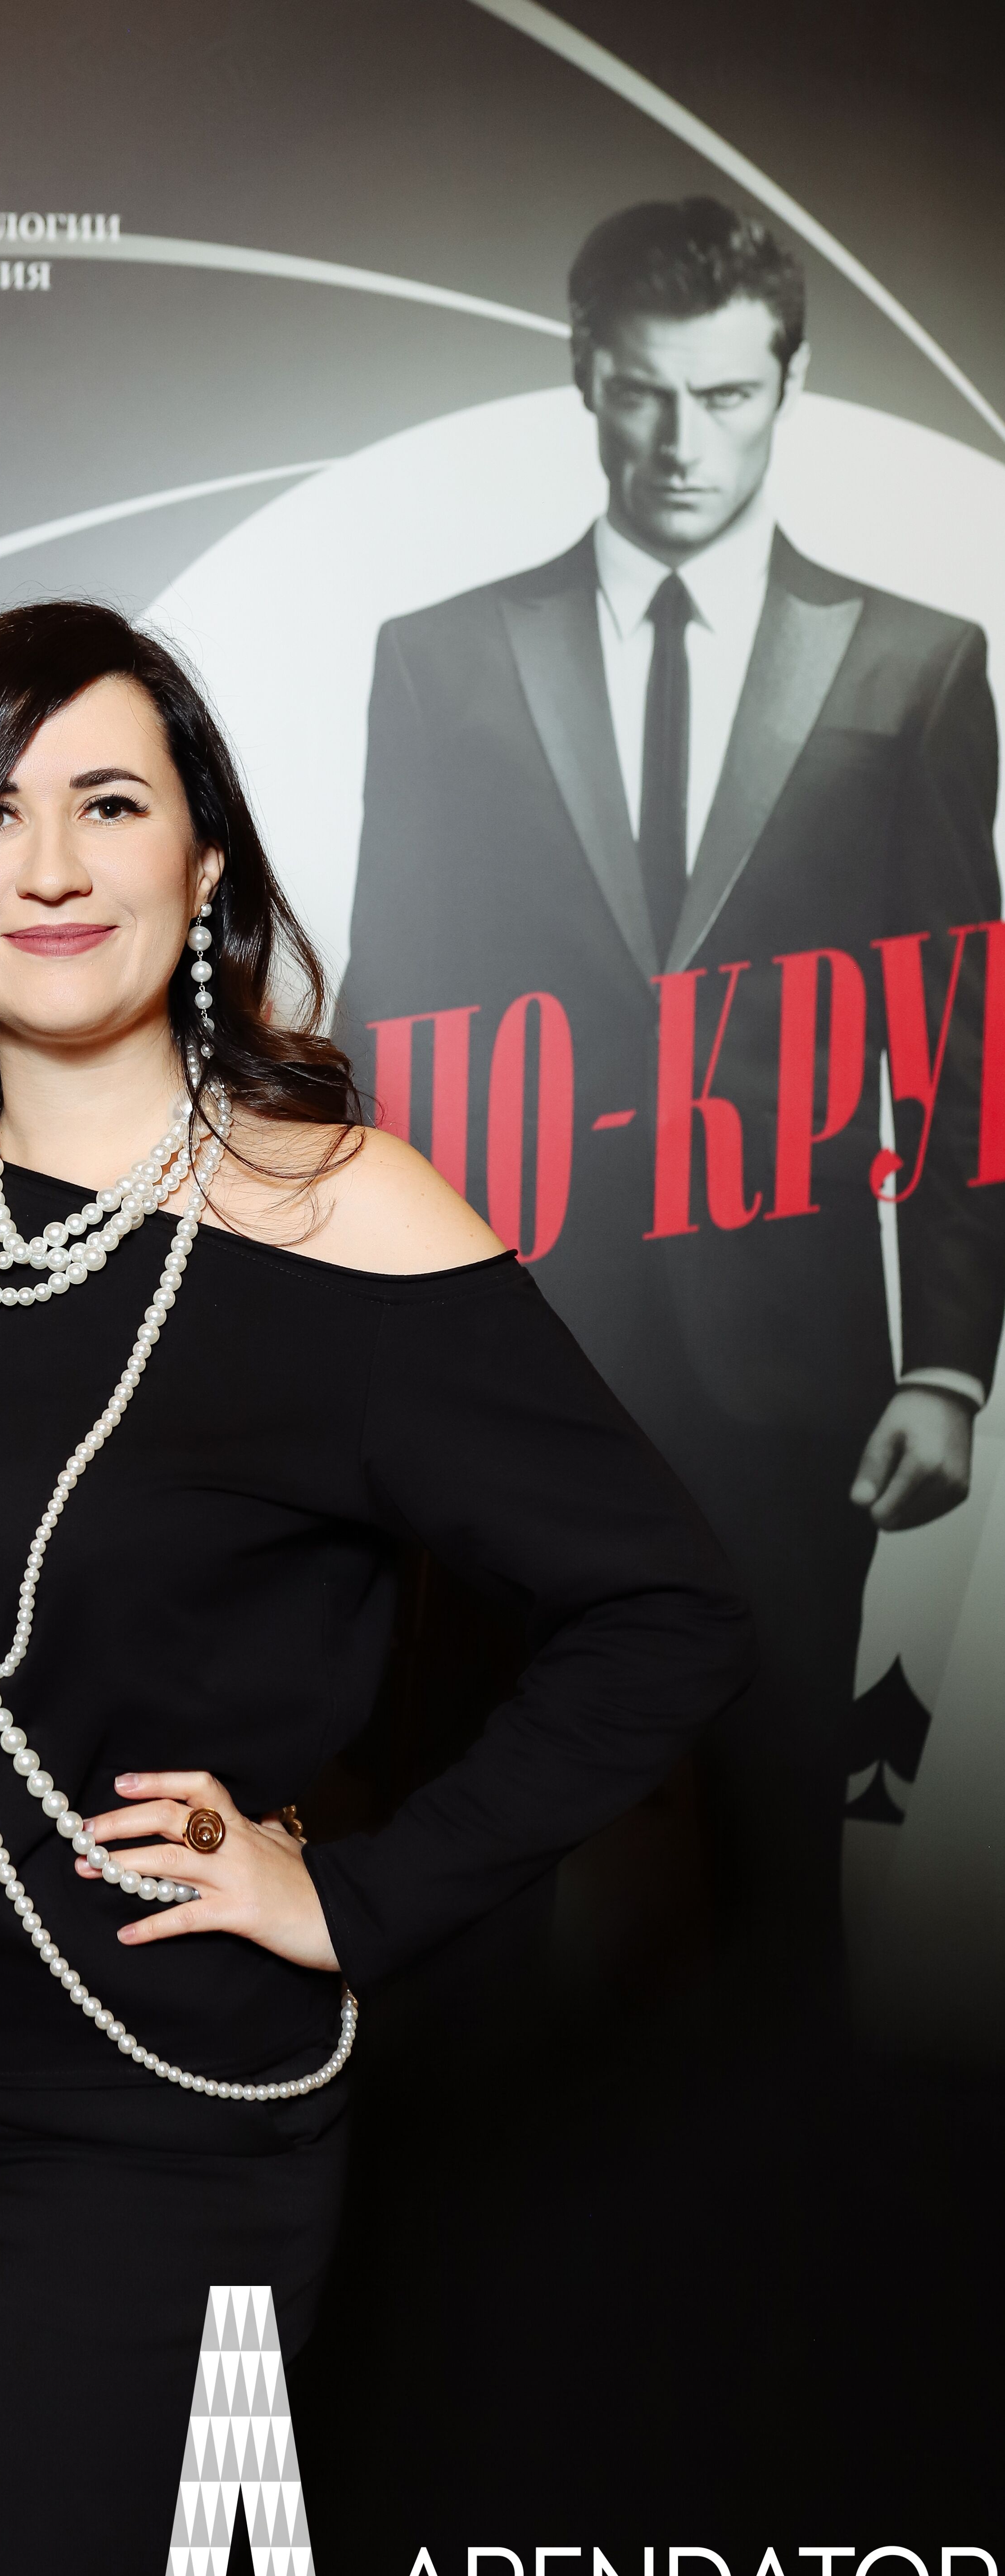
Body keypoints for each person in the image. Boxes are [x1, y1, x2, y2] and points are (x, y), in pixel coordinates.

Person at [0, 600, 752, 2576]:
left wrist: (356, 1895)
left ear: (204, 858)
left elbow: (668, 1613)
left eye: (110, 804)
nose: (49, 864)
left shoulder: (348, 1220)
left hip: (139, 2143)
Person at [335, 198, 1005, 1980]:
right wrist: (371, 1333)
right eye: (645, 394)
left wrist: (946, 1362)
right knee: (467, 1836)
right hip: (511, 1348)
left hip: (789, 1368)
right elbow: (393, 1013)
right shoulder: (442, 655)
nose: (684, 443)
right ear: (587, 377)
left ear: (789, 384)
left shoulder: (917, 665)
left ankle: (778, 2151)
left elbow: (955, 1039)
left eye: (726, 396)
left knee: (781, 1848)